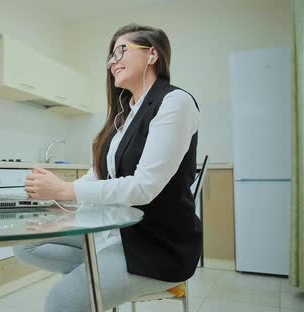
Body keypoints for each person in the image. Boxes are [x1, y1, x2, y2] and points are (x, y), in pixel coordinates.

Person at [16, 23, 202, 311]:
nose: (112, 61)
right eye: (110, 56)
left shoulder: (175, 102)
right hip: (114, 232)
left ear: (152, 54)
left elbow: (143, 188)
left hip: (156, 245)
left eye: (121, 51)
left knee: (60, 301)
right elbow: (100, 175)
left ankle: (99, 281)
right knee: (26, 241)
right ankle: (98, 276)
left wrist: (66, 190)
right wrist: (59, 196)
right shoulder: (125, 114)